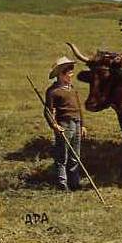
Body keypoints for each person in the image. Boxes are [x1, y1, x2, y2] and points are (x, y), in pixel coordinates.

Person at [44, 56, 87, 191]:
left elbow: (79, 109)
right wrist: (55, 126)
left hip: (76, 123)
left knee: (75, 156)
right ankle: (62, 183)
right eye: (69, 73)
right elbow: (48, 112)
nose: (71, 75)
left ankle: (75, 183)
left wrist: (83, 125)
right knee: (62, 156)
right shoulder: (53, 91)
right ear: (61, 74)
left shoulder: (72, 89)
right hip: (64, 125)